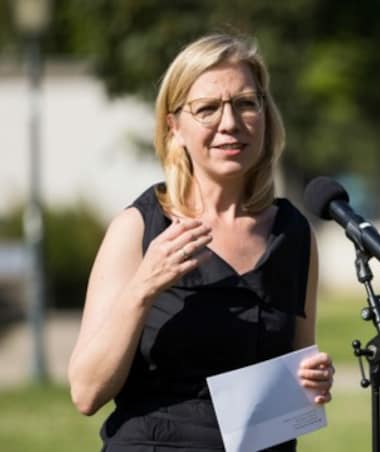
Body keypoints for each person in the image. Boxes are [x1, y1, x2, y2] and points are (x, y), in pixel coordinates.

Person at [67, 34, 334, 451]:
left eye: (246, 103)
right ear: (174, 127)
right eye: (207, 109)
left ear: (265, 113)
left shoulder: (293, 234)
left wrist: (310, 381)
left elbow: (294, 374)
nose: (230, 123)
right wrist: (143, 286)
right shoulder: (138, 228)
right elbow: (85, 393)